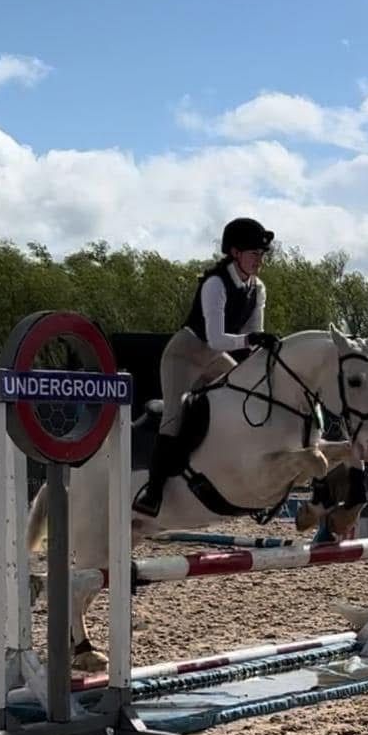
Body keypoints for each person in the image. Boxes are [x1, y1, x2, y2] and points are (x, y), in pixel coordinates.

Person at [133, 216, 279, 517]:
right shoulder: (215, 283)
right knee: (174, 417)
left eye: (262, 255)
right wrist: (252, 339)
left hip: (212, 358)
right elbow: (217, 338)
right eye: (254, 254)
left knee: (243, 397)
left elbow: (251, 339)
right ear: (235, 252)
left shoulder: (257, 288)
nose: (259, 261)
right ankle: (153, 491)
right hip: (184, 355)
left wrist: (263, 353)